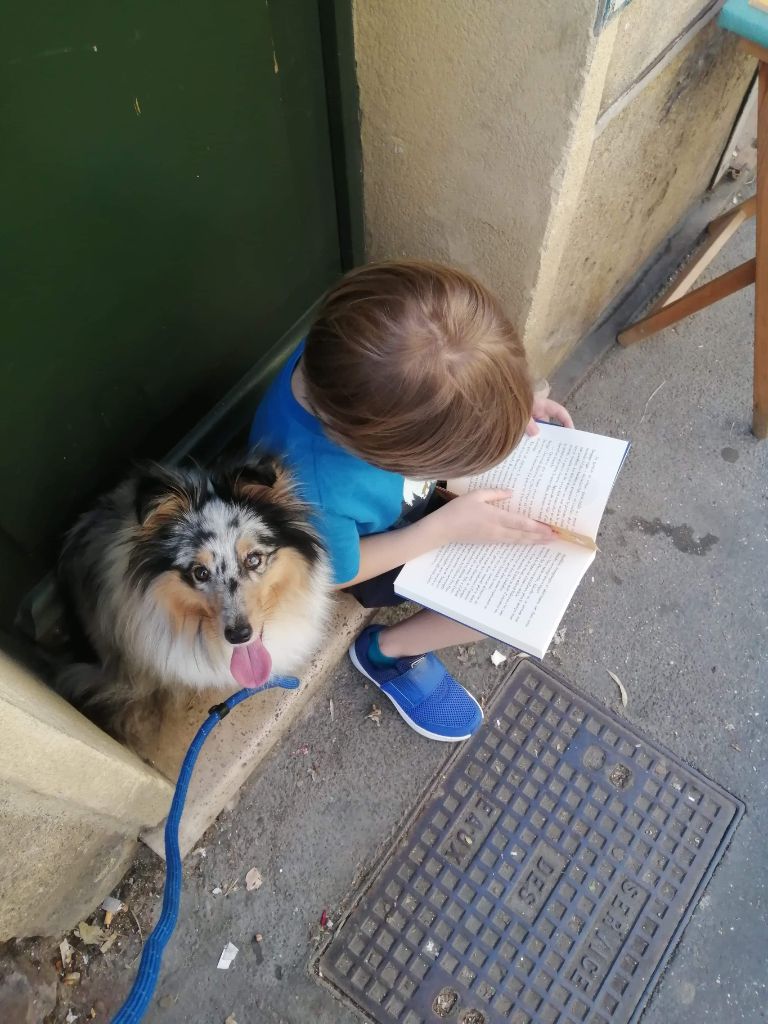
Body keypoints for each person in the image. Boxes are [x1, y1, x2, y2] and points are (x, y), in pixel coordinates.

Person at [250, 261, 573, 742]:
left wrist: (507, 399)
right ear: (384, 451)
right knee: (498, 605)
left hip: (406, 504)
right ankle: (388, 650)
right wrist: (443, 530)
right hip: (379, 549)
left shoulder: (354, 349)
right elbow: (339, 571)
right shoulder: (310, 485)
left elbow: (439, 370)